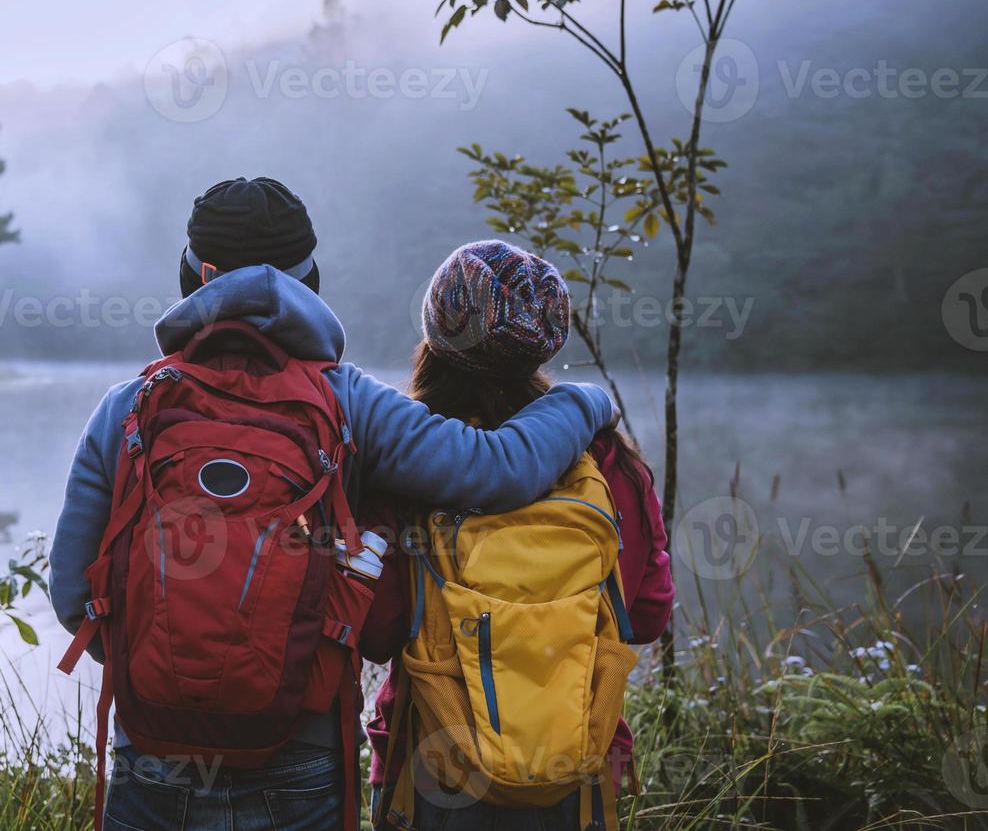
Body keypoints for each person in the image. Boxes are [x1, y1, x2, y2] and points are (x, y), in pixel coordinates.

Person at [50, 179, 619, 830]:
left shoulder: (129, 409)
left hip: (152, 752)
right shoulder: (350, 404)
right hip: (299, 752)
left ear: (200, 275)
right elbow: (497, 469)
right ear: (308, 279)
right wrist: (583, 400)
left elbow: (72, 593)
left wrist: (171, 675)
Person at [364, 239, 675, 830]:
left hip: (434, 766)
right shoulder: (608, 462)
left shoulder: (412, 462)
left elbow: (378, 628)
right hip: (576, 762)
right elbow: (650, 613)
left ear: (437, 333)